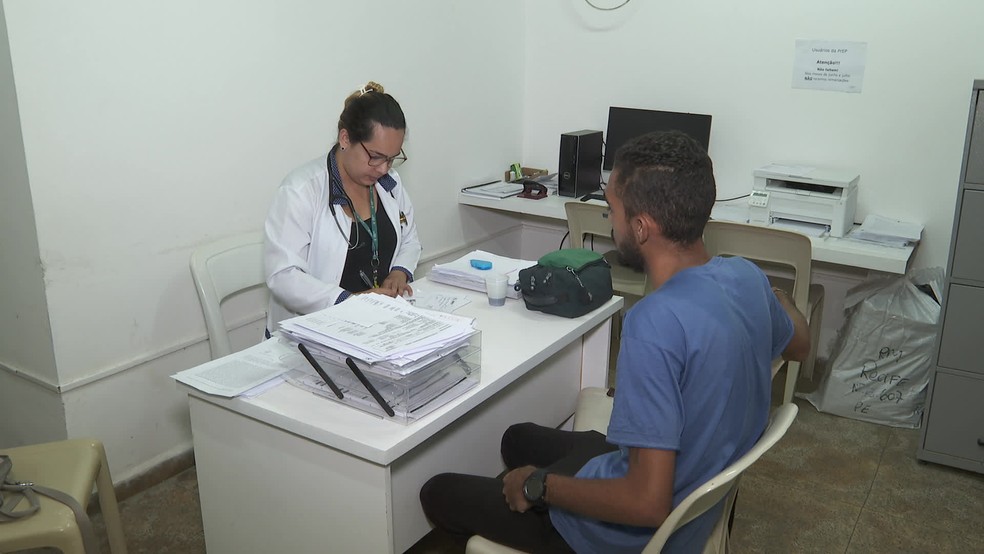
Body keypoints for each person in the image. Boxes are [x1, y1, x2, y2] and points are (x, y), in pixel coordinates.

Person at [419, 131, 810, 553]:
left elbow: (646, 504)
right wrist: (779, 298)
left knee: (437, 492)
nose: (610, 221)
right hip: (687, 478)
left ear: (641, 228)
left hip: (618, 534)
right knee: (515, 438)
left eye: (612, 210)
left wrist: (540, 486)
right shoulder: (746, 277)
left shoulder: (653, 325)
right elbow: (799, 346)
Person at [264, 81, 421, 330]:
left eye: (392, 159)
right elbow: (283, 276)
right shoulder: (301, 191)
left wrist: (399, 272)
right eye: (375, 156)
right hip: (312, 335)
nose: (383, 168)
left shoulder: (389, 183)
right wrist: (348, 301)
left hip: (378, 326)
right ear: (345, 138)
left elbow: (409, 239)